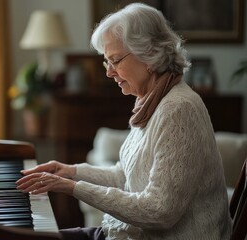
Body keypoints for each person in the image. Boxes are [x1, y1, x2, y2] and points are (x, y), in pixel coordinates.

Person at [16, 3, 232, 240]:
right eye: (106, 62)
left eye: (116, 60)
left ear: (149, 55)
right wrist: (70, 171)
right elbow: (127, 176)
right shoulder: (151, 101)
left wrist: (72, 187)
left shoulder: (179, 109)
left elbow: (160, 211)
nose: (109, 72)